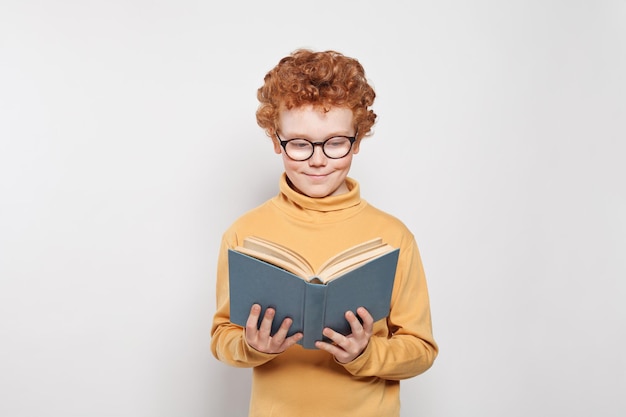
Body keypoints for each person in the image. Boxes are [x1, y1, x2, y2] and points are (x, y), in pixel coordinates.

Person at [210, 49, 438, 417]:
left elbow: (421, 351)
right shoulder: (244, 233)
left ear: (357, 140)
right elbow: (222, 338)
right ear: (275, 141)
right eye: (299, 144)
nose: (318, 160)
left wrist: (366, 354)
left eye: (335, 142)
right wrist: (253, 347)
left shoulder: (394, 236)